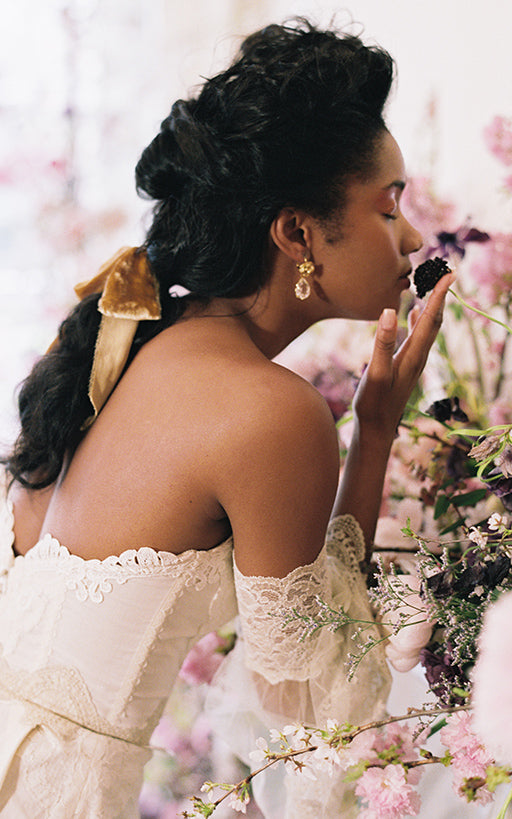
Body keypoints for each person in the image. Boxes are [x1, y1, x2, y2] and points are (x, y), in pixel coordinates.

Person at [0, 18, 454, 819]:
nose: (414, 238)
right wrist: (375, 433)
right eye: (390, 209)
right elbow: (318, 699)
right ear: (297, 234)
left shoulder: (122, 341)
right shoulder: (266, 409)